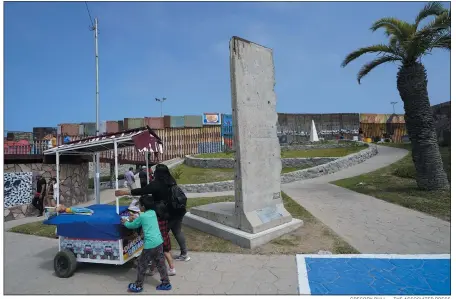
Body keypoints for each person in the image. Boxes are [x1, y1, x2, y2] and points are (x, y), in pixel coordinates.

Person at [115, 164, 190, 262]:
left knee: (159, 235)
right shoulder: (171, 181)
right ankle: (184, 254)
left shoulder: (156, 184)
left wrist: (125, 192)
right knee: (177, 231)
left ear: (157, 173)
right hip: (178, 210)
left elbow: (142, 190)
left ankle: (155, 259)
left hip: (166, 213)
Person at [121, 196, 172, 293]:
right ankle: (166, 283)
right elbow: (142, 218)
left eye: (139, 205)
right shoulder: (153, 212)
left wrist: (125, 222)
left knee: (142, 264)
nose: (139, 207)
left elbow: (133, 225)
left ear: (143, 206)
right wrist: (136, 217)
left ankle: (138, 285)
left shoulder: (143, 216)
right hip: (159, 242)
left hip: (150, 245)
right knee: (161, 264)